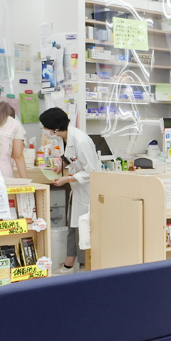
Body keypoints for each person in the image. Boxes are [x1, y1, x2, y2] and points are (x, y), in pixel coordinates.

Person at [38, 107, 102, 273]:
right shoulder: (64, 137)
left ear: (55, 128)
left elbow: (92, 171)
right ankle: (70, 264)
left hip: (88, 190)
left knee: (82, 229)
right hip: (78, 190)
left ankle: (83, 266)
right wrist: (62, 165)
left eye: (45, 127)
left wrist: (67, 179)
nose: (44, 130)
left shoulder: (81, 141)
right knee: (73, 227)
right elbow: (70, 156)